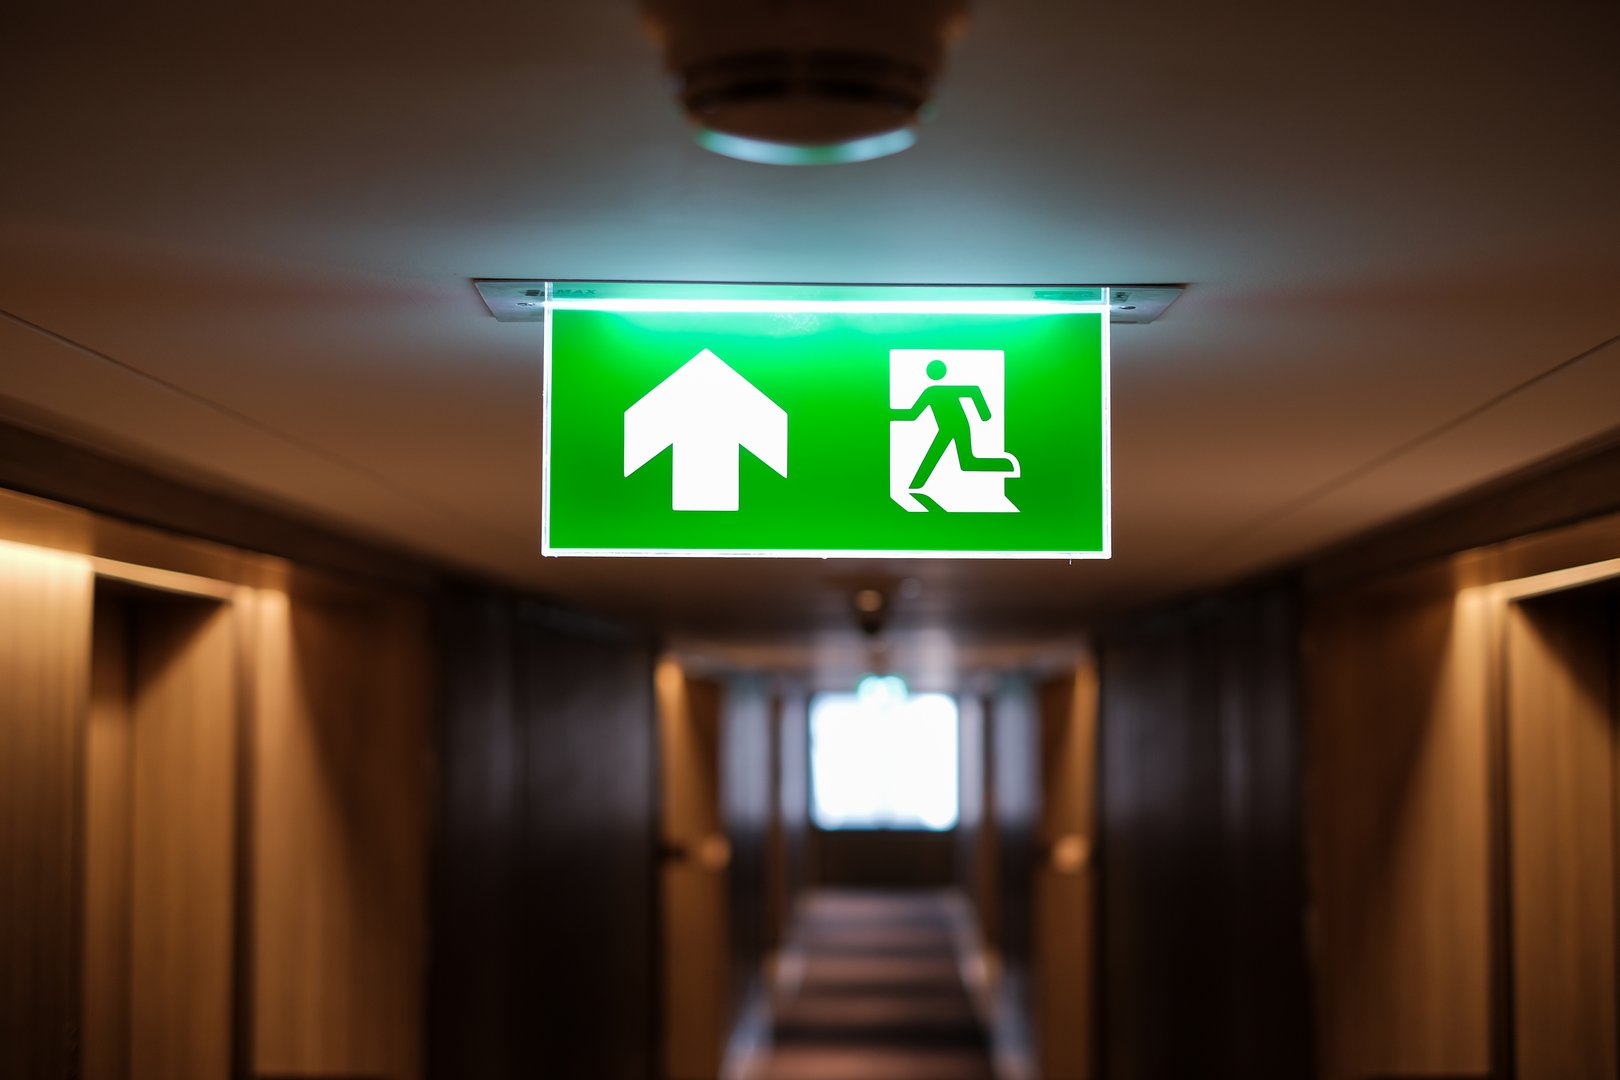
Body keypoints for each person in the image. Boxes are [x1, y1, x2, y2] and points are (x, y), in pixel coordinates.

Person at [893, 359, 1016, 490]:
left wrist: (985, 414)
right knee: (967, 463)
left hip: (958, 427)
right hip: (948, 428)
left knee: (964, 462)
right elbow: (913, 414)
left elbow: (973, 390)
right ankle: (916, 485)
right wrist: (889, 414)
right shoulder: (930, 392)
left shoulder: (934, 391)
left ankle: (915, 485)